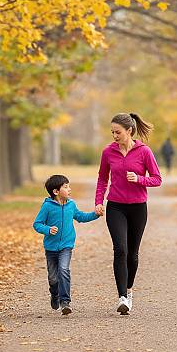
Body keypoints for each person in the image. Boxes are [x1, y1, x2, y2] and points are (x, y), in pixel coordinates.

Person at [95, 113, 162, 314]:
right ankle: (122, 296)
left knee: (132, 255)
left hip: (137, 208)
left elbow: (157, 179)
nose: (114, 136)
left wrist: (140, 179)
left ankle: (129, 290)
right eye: (112, 132)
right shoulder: (108, 152)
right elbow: (101, 179)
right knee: (120, 250)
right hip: (115, 206)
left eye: (118, 132)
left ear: (129, 131)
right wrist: (99, 202)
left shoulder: (144, 152)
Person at [33, 174, 101, 315]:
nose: (69, 189)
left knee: (63, 270)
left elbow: (81, 217)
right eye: (66, 187)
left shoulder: (71, 205)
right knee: (53, 277)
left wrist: (95, 214)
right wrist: (48, 229)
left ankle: (65, 302)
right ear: (56, 192)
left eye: (69, 186)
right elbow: (37, 224)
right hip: (50, 248)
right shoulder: (47, 207)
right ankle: (54, 294)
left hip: (66, 245)